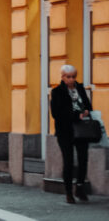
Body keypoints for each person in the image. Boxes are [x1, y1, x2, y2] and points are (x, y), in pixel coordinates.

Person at [50, 64, 94, 203]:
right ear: (62, 77)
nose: (71, 79)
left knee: (83, 160)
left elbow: (88, 105)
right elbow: (56, 113)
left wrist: (86, 111)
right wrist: (76, 115)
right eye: (68, 77)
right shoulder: (57, 92)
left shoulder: (79, 88)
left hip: (82, 130)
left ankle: (79, 187)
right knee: (68, 161)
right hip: (65, 132)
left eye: (74, 77)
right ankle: (69, 192)